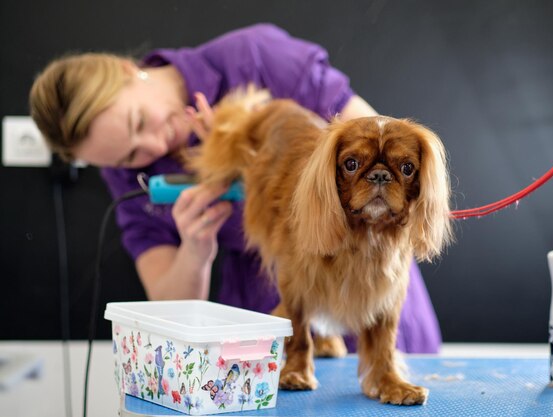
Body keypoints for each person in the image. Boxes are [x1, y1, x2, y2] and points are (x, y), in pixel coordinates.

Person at [29, 23, 441, 353]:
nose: (153, 147)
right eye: (127, 157)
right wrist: (194, 249)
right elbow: (170, 301)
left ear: (128, 71)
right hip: (271, 303)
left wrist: (259, 151)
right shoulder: (132, 180)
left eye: (139, 122)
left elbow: (380, 149)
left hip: (374, 275)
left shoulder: (254, 58)